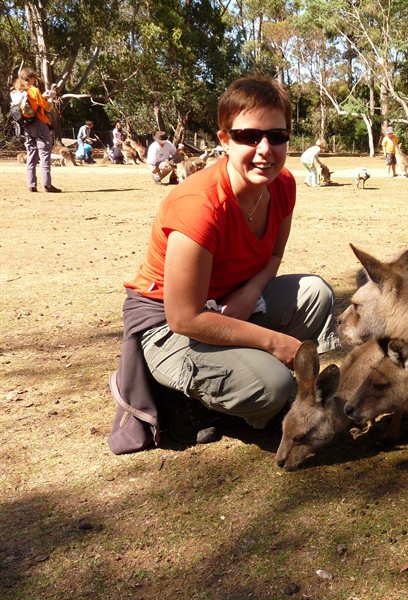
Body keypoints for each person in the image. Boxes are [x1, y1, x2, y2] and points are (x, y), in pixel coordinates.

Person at [107, 75, 340, 453]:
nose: (265, 149)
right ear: (224, 141)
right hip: (169, 323)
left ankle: (252, 384)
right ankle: (182, 397)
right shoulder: (199, 204)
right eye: (249, 136)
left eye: (277, 136)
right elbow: (184, 317)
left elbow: (274, 256)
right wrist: (273, 341)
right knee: (275, 387)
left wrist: (249, 293)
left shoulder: (283, 186)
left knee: (316, 292)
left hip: (230, 301)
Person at [9, 67, 60, 193]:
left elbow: (32, 103)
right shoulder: (33, 90)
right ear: (30, 78)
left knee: (31, 154)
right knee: (44, 154)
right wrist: (50, 98)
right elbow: (47, 107)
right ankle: (47, 184)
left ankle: (32, 184)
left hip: (27, 125)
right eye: (34, 78)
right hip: (39, 123)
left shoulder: (18, 91)